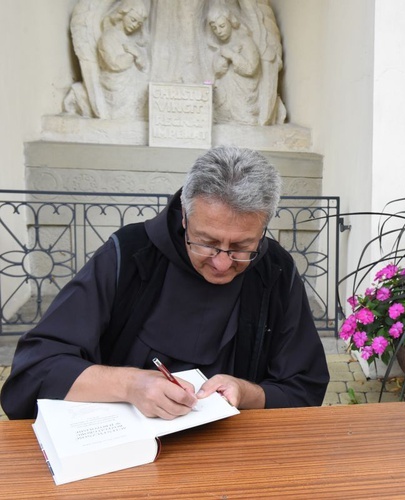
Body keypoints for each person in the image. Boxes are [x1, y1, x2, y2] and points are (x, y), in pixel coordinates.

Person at [1, 146, 330, 420]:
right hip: (123, 454)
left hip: (233, 455)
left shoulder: (274, 269)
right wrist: (130, 384)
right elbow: (35, 371)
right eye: (206, 242)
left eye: (242, 247)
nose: (222, 262)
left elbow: (304, 385)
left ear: (263, 230)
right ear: (185, 218)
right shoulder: (130, 254)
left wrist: (248, 393)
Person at [207, 5, 262, 125]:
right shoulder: (220, 47)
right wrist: (220, 66)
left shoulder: (245, 41)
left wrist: (232, 56)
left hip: (242, 96)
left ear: (231, 22)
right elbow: (216, 73)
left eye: (222, 26)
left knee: (245, 119)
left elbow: (251, 68)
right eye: (214, 28)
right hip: (224, 99)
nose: (219, 31)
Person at [97, 0, 150, 119]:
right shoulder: (108, 36)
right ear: (123, 15)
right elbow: (115, 64)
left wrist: (137, 54)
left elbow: (144, 66)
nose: (135, 25)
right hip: (115, 84)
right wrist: (132, 55)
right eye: (133, 20)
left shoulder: (128, 40)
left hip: (128, 83)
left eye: (138, 24)